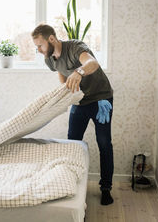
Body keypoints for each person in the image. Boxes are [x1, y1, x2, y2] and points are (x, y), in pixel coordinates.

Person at [32, 24, 114, 205]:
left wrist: (79, 71)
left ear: (51, 39)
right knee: (72, 142)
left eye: (40, 45)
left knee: (104, 143)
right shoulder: (49, 59)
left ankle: (106, 188)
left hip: (101, 99)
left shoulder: (75, 46)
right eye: (37, 47)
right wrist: (64, 95)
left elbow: (92, 63)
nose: (38, 50)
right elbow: (62, 74)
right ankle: (72, 184)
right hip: (79, 101)